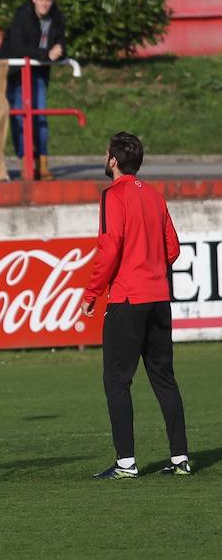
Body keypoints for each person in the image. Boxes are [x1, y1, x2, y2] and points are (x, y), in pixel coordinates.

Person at [81, 132, 190, 479]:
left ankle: (126, 464)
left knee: (117, 381)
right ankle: (180, 460)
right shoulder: (155, 196)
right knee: (164, 380)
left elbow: (110, 248)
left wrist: (91, 293)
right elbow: (172, 249)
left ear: (113, 160)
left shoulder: (113, 195)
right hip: (159, 298)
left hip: (128, 299)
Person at [0, 0, 66, 181]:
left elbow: (61, 42)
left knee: (40, 115)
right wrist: (47, 53)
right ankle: (27, 160)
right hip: (16, 72)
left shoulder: (57, 17)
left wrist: (60, 50)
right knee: (19, 115)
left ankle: (42, 161)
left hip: (38, 71)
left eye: (48, 0)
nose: (44, 4)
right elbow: (19, 47)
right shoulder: (23, 15)